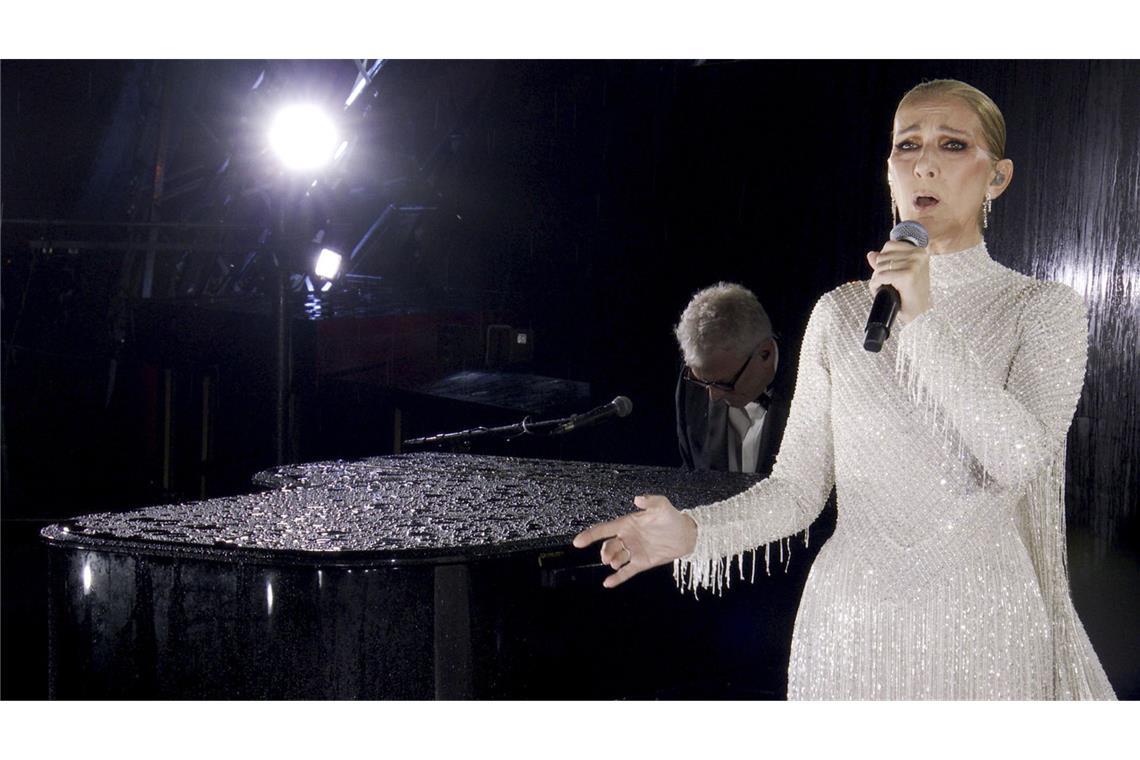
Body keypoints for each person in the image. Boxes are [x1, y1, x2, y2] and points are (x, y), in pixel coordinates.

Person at [573, 79, 1116, 700]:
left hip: (985, 624)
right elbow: (798, 490)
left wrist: (923, 320)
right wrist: (693, 533)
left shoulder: (1041, 308)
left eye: (953, 144)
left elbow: (1019, 458)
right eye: (906, 145)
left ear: (997, 177)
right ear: (888, 171)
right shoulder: (838, 312)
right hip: (848, 625)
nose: (925, 162)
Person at [674, 283, 788, 476]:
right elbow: (693, 478)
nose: (713, 396)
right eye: (703, 382)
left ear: (765, 354)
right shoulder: (694, 384)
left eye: (724, 383)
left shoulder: (816, 389)